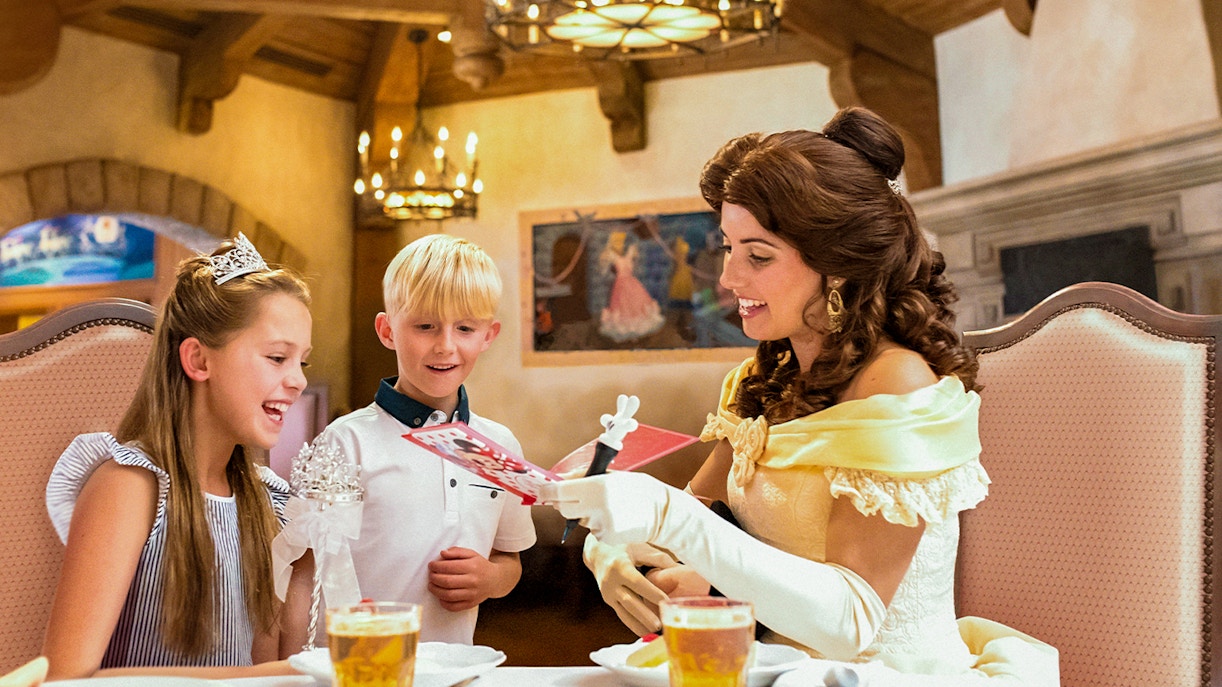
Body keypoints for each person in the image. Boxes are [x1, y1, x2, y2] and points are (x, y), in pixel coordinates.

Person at [541, 108, 1059, 683]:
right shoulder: (764, 380)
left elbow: (850, 623)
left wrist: (666, 514)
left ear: (837, 268)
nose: (729, 278)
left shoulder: (899, 388)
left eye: (758, 255)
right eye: (728, 248)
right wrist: (610, 548)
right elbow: (696, 527)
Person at [43, 234, 313, 680]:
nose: (298, 381)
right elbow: (65, 680)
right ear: (199, 361)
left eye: (302, 362)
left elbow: (269, 668)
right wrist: (292, 672)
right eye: (277, 357)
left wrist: (316, 555)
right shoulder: (131, 488)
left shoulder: (270, 503)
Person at [302, 233, 535, 644]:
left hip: (456, 666)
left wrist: (491, 579)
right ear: (387, 330)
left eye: (465, 328)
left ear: (488, 335)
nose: (445, 346)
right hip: (357, 665)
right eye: (425, 326)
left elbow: (509, 558)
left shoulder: (499, 446)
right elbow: (304, 570)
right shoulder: (345, 442)